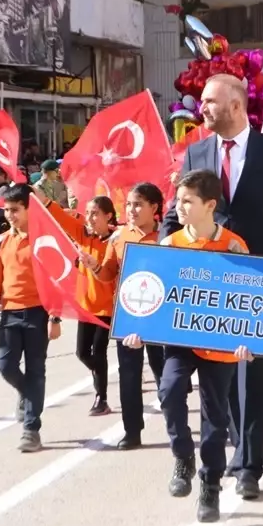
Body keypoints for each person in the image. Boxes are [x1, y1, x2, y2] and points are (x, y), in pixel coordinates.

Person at [161, 73, 263, 501]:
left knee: (253, 372)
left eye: (209, 101)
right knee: (222, 373)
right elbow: (177, 213)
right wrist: (158, 253)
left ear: (235, 104)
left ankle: (249, 465)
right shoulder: (196, 151)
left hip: (258, 276)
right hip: (208, 278)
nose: (201, 108)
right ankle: (236, 450)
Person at [123, 170, 253, 523]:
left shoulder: (234, 246)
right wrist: (137, 329)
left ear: (210, 205)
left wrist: (247, 340)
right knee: (169, 389)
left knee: (216, 416)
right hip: (181, 340)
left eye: (187, 201)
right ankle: (182, 455)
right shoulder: (170, 246)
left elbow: (248, 301)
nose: (178, 207)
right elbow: (151, 295)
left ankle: (210, 486)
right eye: (177, 200)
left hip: (221, 343)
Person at [0, 184, 60, 454]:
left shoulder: (44, 239)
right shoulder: (2, 241)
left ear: (28, 209)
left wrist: (55, 316)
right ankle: (27, 395)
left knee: (37, 371)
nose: (10, 216)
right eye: (7, 211)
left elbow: (55, 279)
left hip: (38, 313)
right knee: (5, 366)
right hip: (11, 314)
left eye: (15, 210)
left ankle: (31, 429)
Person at [97, 182, 166, 450]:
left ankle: (174, 422)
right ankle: (132, 431)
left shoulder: (167, 236)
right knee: (128, 375)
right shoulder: (117, 238)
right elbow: (107, 274)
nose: (131, 210)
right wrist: (93, 267)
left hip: (161, 316)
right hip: (128, 315)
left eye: (138, 204)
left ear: (154, 208)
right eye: (128, 204)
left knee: (166, 373)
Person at [46, 195, 117, 416]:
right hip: (86, 307)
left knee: (99, 352)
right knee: (82, 353)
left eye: (95, 213)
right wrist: (40, 198)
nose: (91, 218)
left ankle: (101, 397)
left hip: (107, 308)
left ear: (108, 216)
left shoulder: (116, 240)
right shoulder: (83, 236)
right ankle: (100, 379)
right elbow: (58, 216)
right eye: (88, 213)